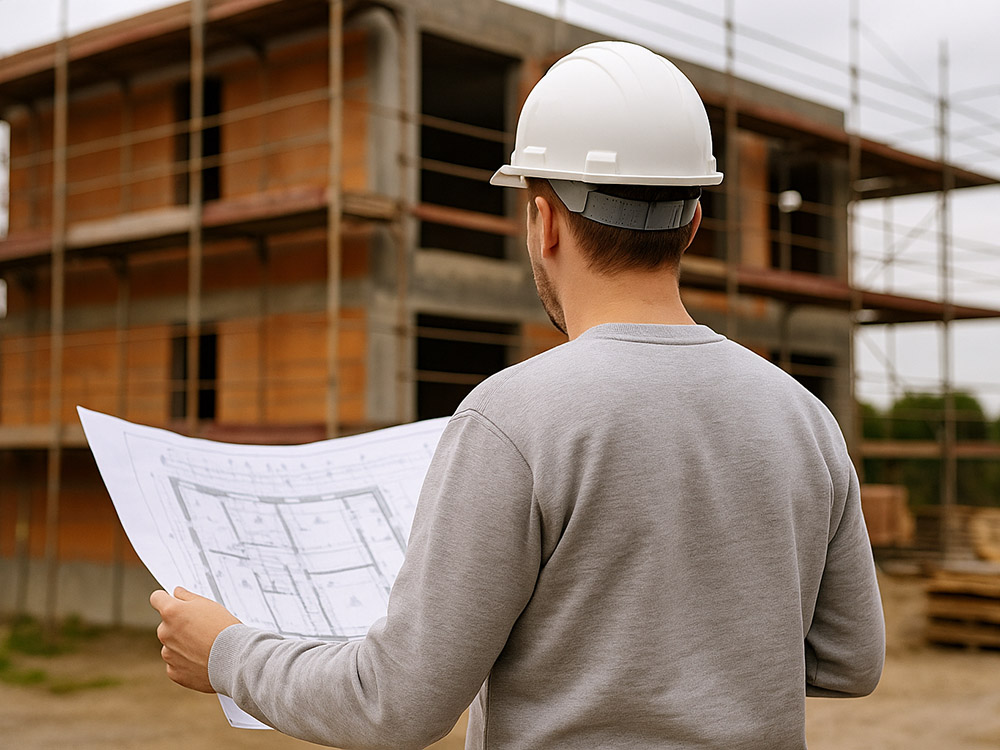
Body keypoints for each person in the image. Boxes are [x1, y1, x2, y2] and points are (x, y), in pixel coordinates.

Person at [151, 41, 884, 750]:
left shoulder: (514, 419)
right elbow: (852, 659)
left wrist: (225, 652)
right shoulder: (804, 418)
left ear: (544, 222)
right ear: (694, 223)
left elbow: (395, 705)